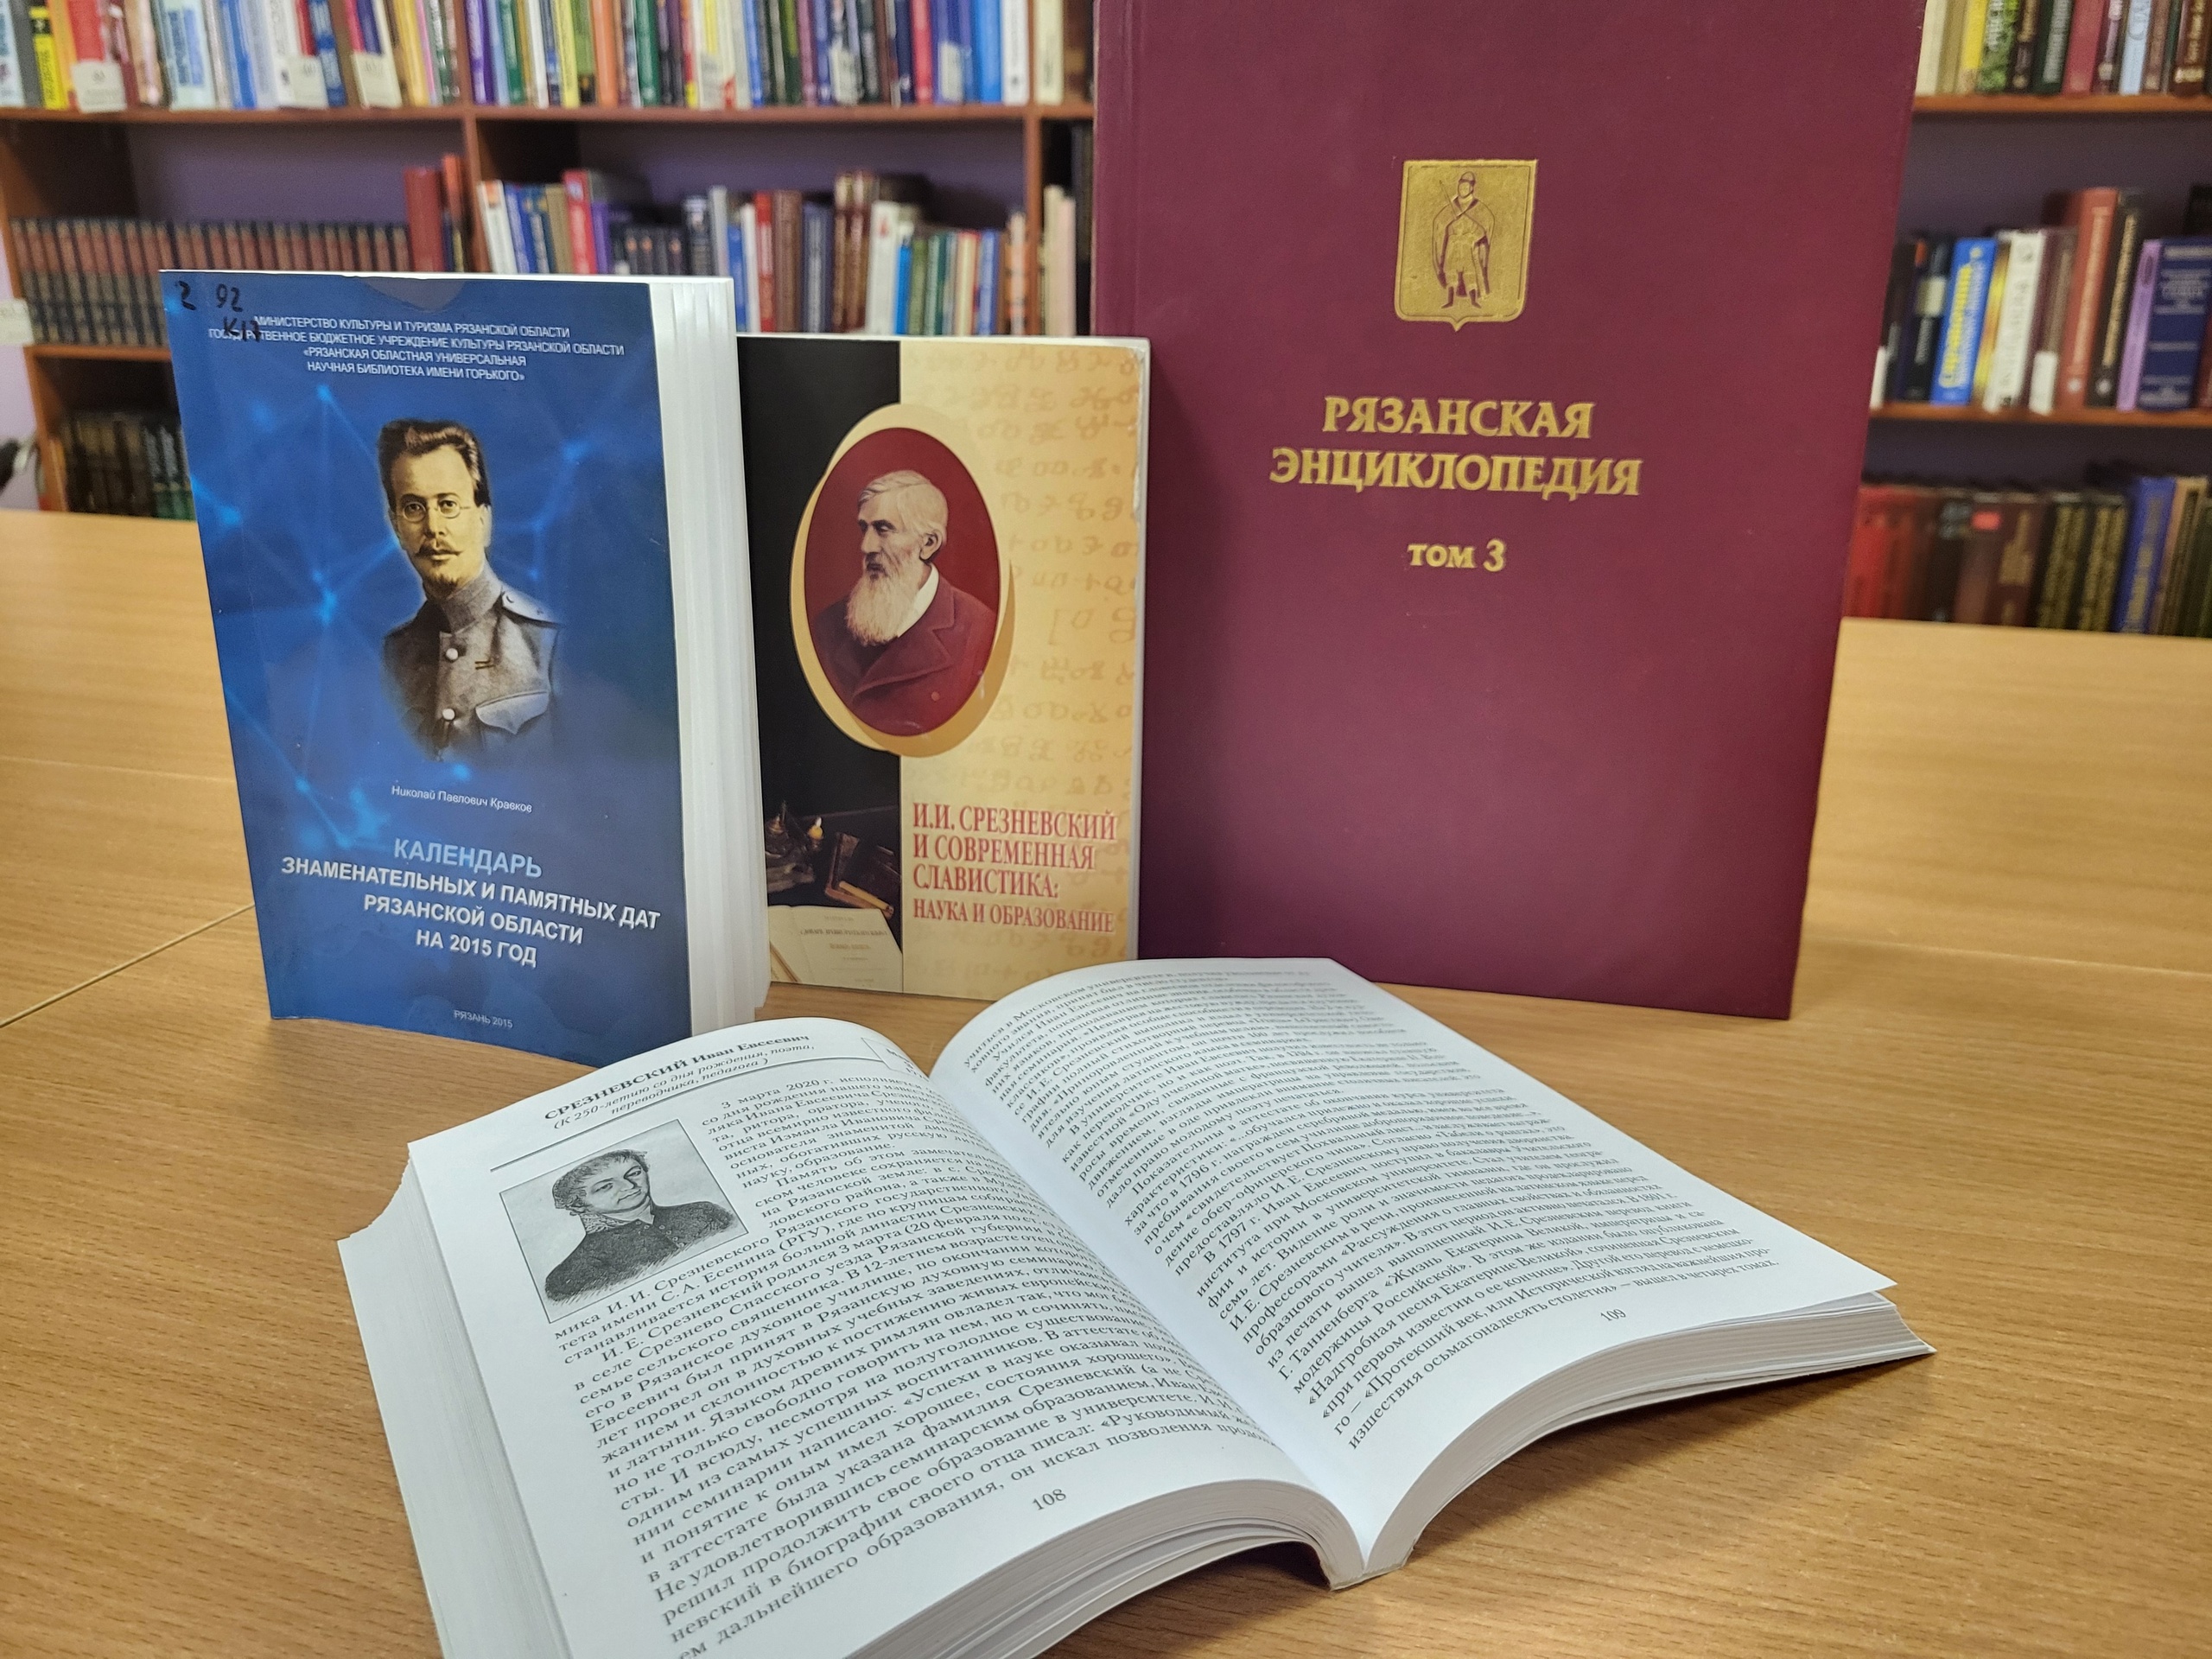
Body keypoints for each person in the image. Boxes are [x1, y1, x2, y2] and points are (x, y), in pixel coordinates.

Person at [378, 418, 557, 759]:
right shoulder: (393, 656)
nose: (433, 527)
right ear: (397, 527)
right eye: (414, 508)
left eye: (448, 505)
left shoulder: (547, 642)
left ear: (482, 520)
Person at [809, 469, 993, 737]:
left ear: (928, 544)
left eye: (884, 529)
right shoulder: (829, 624)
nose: (867, 546)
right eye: (864, 528)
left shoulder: (979, 631)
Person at [542, 1149, 734, 1305]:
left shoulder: (705, 1213)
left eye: (634, 1173)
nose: (629, 1186)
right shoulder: (570, 1275)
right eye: (605, 1186)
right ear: (577, 1204)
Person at [1431, 170, 1497, 310]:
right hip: (1453, 249)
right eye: (1461, 186)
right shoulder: (1451, 207)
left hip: (1470, 250)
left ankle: (1474, 300)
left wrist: (1472, 236)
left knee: (1470, 274)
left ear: (1472, 188)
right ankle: (1450, 300)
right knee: (1451, 272)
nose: (1463, 189)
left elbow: (1487, 225)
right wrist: (1451, 232)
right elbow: (1439, 224)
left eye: (1466, 187)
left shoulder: (1480, 208)